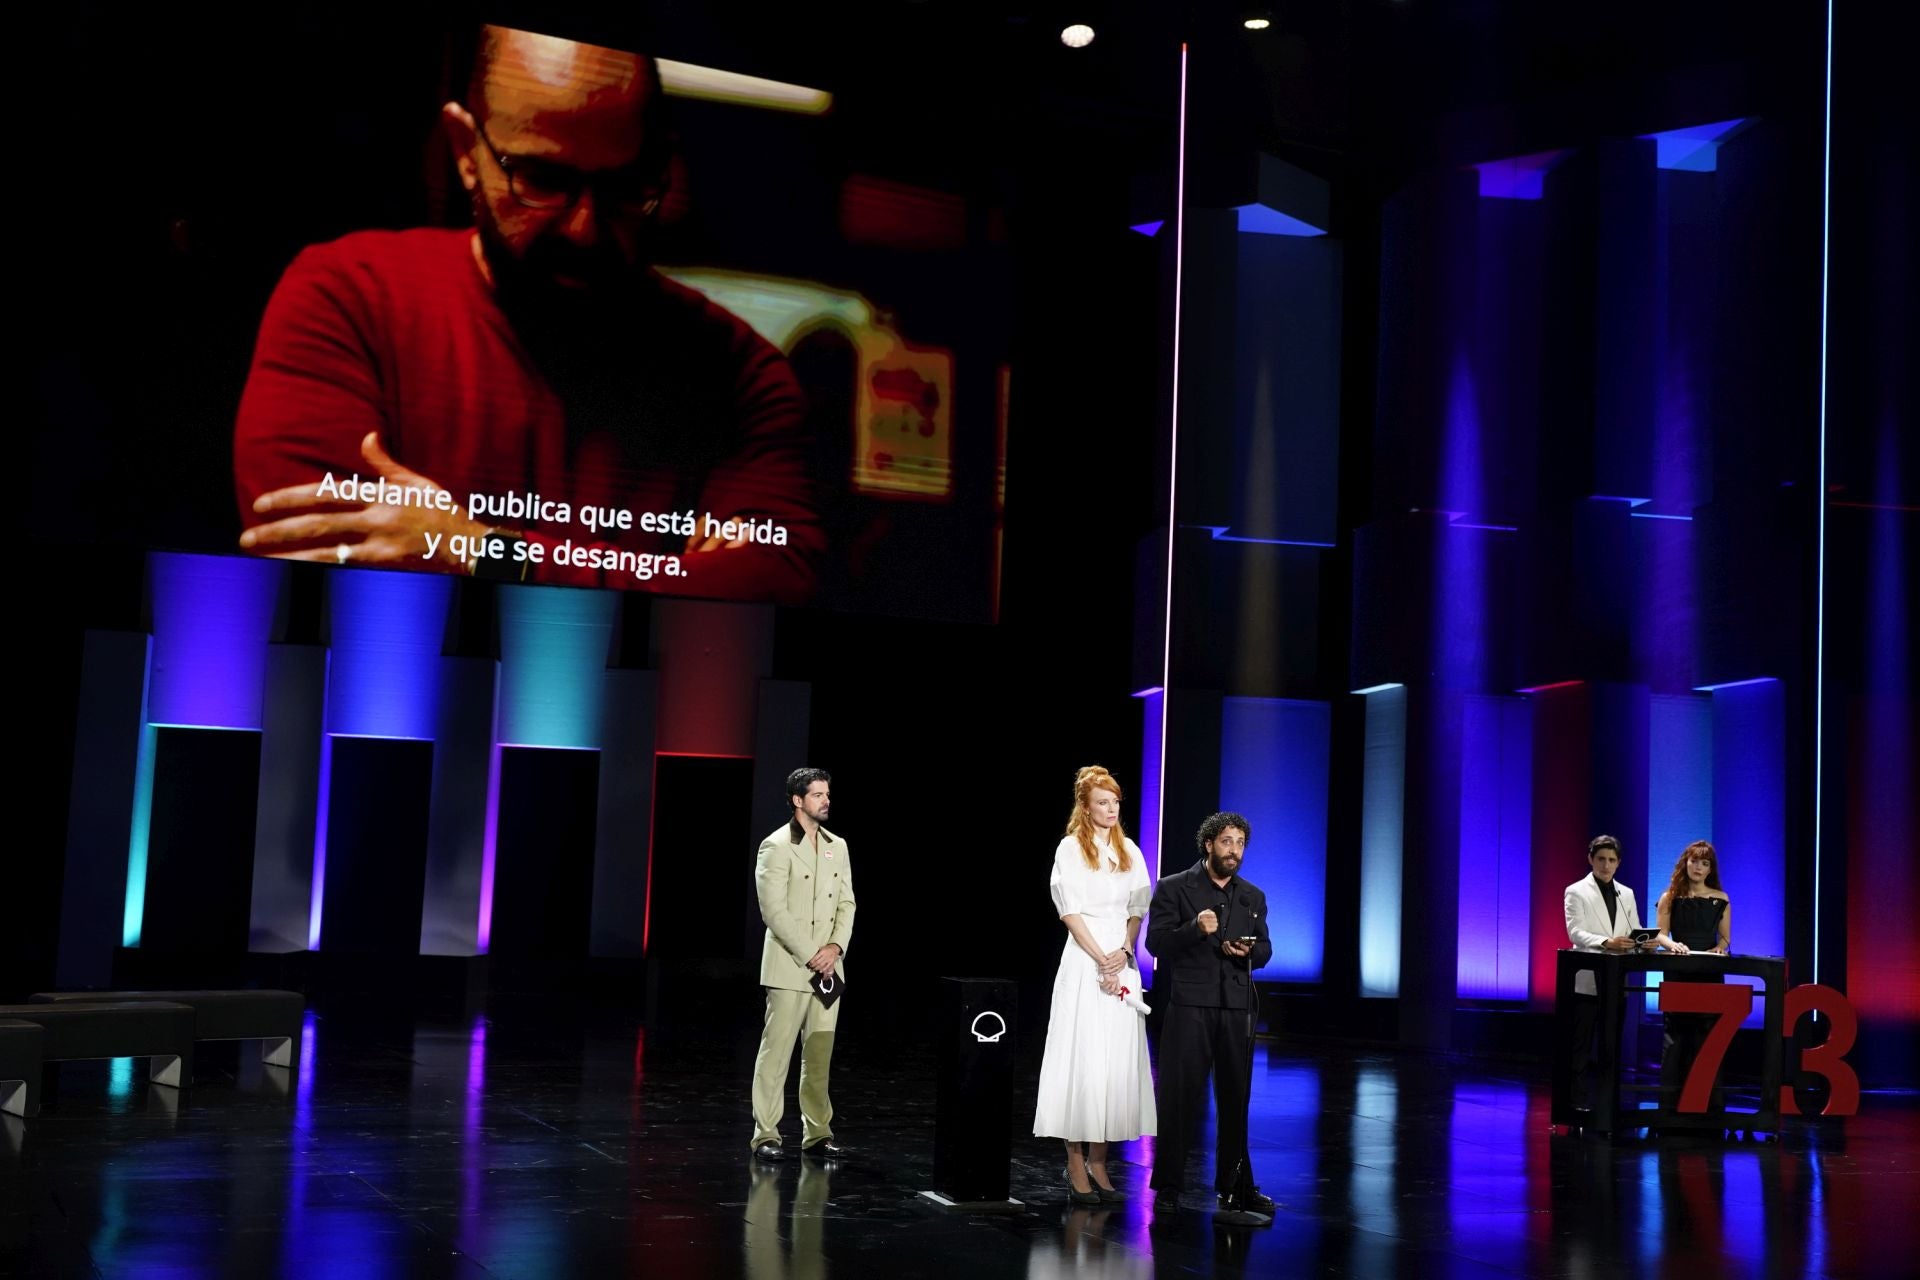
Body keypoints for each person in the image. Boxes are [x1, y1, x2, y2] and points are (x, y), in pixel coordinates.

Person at [232, 24, 826, 601]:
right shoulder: (348, 300)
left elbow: (773, 588)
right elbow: (326, 587)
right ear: (467, 152)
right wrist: (667, 577)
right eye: (542, 179)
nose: (584, 227)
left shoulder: (744, 377)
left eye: (624, 186)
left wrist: (482, 552)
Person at [1033, 766, 1156, 1204]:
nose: (1110, 809)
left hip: (1121, 960)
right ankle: (1074, 1157)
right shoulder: (1070, 849)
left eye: (1115, 802)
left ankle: (1100, 1158)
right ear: (1085, 807)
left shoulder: (1130, 851)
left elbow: (1137, 908)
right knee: (1083, 1056)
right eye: (1102, 803)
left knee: (1115, 1060)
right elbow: (1069, 910)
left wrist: (1124, 949)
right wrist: (1099, 957)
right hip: (1084, 958)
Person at [1146, 812, 1274, 1221]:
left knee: (1236, 1100)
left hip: (1237, 1008)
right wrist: (1194, 930)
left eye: (1239, 843)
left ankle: (1235, 1185)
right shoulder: (1174, 888)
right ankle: (1168, 1186)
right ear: (1209, 844)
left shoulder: (1252, 896)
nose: (1233, 850)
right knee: (1179, 1100)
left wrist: (1249, 952)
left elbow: (1266, 950)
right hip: (1190, 1008)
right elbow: (1157, 944)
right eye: (1226, 842)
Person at [750, 768, 854, 1161]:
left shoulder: (837, 846)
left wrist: (835, 948)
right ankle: (766, 1134)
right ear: (798, 800)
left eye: (828, 793)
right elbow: (773, 910)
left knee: (819, 1053)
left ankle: (818, 1133)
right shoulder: (775, 845)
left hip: (829, 970)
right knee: (776, 1054)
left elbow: (847, 903)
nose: (826, 800)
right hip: (791, 966)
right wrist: (813, 953)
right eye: (817, 795)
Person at [1562, 834, 1643, 1114]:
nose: (1606, 865)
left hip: (1617, 978)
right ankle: (1577, 1101)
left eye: (1611, 860)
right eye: (1601, 859)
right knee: (1581, 1044)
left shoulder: (1626, 893)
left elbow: (1634, 928)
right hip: (1587, 976)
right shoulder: (1576, 891)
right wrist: (1606, 942)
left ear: (1619, 863)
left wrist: (1644, 940)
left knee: (1612, 1044)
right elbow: (1576, 933)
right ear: (1590, 859)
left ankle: (1608, 1101)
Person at [1653, 840, 1732, 1110]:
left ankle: (1708, 1109)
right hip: (1678, 969)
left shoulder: (1721, 898)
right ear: (1685, 863)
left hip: (1709, 973)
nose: (1698, 867)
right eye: (1694, 861)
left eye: (1705, 863)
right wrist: (1672, 945)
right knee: (1674, 1037)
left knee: (1707, 1036)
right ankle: (1670, 1108)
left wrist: (1720, 949)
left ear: (1711, 869)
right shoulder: (1669, 897)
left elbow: (1725, 940)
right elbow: (1660, 934)